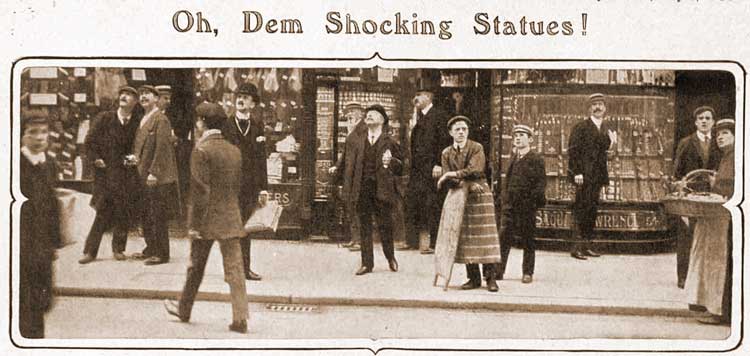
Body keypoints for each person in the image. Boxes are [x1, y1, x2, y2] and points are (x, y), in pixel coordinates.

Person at [163, 103, 248, 333]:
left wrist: (193, 225)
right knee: (235, 270)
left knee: (196, 267)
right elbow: (237, 187)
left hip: (206, 221)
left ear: (201, 122)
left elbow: (200, 192)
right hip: (230, 217)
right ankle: (240, 318)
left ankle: (184, 309)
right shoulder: (234, 151)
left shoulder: (201, 151)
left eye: (198, 121)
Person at [79, 86, 143, 264]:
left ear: (135, 102)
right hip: (106, 174)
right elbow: (89, 142)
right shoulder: (104, 118)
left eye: (130, 95)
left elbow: (139, 147)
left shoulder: (137, 122)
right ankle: (90, 252)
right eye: (122, 93)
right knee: (102, 213)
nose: (124, 96)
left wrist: (134, 158)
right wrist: (96, 159)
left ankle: (119, 249)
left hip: (125, 175)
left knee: (123, 212)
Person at [437, 116, 501, 292]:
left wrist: (451, 175)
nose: (461, 132)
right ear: (450, 132)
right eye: (457, 129)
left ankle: (491, 279)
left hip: (480, 196)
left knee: (486, 237)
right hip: (461, 196)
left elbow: (476, 169)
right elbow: (448, 180)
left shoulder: (476, 147)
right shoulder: (446, 153)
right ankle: (473, 278)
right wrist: (466, 183)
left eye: (464, 129)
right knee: (466, 237)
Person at [684, 118, 734, 325]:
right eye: (718, 134)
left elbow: (731, 188)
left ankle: (723, 312)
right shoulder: (727, 157)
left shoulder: (734, 157)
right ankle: (718, 309)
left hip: (728, 219)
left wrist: (717, 187)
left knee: (724, 266)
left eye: (725, 134)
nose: (720, 137)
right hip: (723, 218)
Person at [348, 105, 404, 275]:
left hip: (382, 189)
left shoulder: (390, 142)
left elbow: (401, 168)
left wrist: (392, 161)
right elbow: (351, 164)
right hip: (363, 188)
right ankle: (367, 264)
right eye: (368, 115)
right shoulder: (359, 140)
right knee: (364, 226)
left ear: (382, 120)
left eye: (373, 114)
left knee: (385, 225)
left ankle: (390, 257)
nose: (369, 116)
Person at [19, 116, 61, 338]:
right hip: (20, 247)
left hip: (42, 248)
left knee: (40, 304)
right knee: (23, 307)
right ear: (22, 135)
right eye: (32, 132)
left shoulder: (50, 163)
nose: (38, 138)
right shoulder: (14, 164)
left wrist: (54, 243)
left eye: (43, 132)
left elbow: (52, 205)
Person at [672, 106, 722, 289]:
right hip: (691, 198)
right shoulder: (686, 142)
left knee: (708, 237)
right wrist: (682, 192)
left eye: (708, 118)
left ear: (713, 122)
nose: (704, 121)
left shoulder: (719, 143)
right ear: (695, 122)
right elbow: (677, 172)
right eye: (700, 118)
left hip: (712, 198)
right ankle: (683, 277)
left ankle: (704, 278)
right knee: (686, 237)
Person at [222, 83, 267, 281]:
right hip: (230, 186)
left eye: (246, 97)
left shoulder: (257, 126)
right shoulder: (226, 125)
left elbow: (261, 159)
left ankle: (245, 269)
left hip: (249, 187)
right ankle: (231, 271)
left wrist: (263, 189)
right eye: (239, 95)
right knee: (230, 229)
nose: (241, 99)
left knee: (245, 229)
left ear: (253, 103)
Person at [130, 85, 179, 265]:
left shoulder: (161, 119)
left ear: (156, 98)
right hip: (142, 173)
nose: (143, 97)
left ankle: (162, 253)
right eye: (141, 94)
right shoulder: (144, 118)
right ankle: (150, 248)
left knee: (158, 214)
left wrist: (154, 172)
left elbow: (162, 148)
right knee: (147, 213)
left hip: (154, 176)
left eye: (147, 94)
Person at [567, 93, 616, 260]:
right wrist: (577, 172)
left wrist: (613, 143)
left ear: (605, 108)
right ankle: (576, 248)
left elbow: (606, 153)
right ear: (589, 108)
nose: (598, 107)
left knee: (592, 210)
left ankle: (587, 246)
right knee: (581, 209)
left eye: (601, 104)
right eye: (594, 104)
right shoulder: (581, 127)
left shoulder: (605, 129)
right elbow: (573, 151)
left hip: (597, 176)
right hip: (583, 176)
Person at [401, 88, 449, 254]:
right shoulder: (417, 117)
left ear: (428, 97)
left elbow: (444, 141)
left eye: (418, 96)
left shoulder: (438, 116)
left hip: (432, 169)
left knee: (432, 205)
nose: (415, 99)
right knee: (411, 202)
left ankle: (435, 243)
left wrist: (439, 163)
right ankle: (412, 241)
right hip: (417, 170)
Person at [497, 125, 547, 284]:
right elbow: (508, 180)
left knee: (528, 240)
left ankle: (527, 272)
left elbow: (540, 184)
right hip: (510, 206)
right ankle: (498, 270)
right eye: (515, 135)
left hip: (527, 207)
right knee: (504, 238)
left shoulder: (536, 159)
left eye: (521, 135)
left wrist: (532, 203)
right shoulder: (513, 157)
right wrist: (505, 199)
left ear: (530, 139)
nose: (517, 138)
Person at [329, 103, 368, 252]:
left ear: (360, 113)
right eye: (347, 112)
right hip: (348, 175)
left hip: (357, 175)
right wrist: (337, 166)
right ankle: (354, 239)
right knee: (350, 207)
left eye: (352, 112)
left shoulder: (363, 129)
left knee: (356, 208)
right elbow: (345, 154)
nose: (349, 115)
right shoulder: (352, 129)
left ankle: (359, 241)